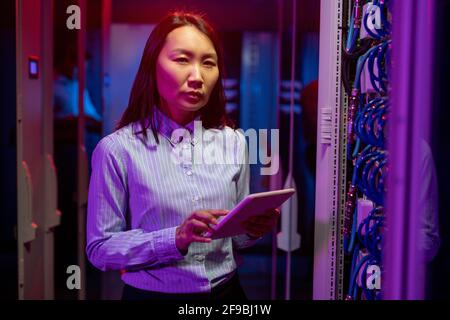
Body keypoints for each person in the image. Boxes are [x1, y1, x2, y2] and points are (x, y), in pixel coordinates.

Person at [86, 11, 280, 300]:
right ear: (152, 67)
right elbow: (100, 250)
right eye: (182, 60)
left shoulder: (234, 141)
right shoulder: (118, 149)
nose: (197, 76)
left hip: (227, 293)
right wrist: (175, 238)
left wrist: (253, 229)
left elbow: (237, 239)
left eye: (208, 63)